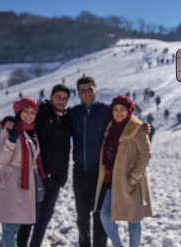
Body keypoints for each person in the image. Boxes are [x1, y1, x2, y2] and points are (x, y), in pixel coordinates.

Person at [93, 95, 153, 247]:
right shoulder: (110, 127)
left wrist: (133, 177)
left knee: (133, 220)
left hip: (130, 182)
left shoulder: (137, 128)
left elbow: (146, 153)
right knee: (105, 216)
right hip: (112, 181)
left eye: (122, 109)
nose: (119, 112)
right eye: (115, 109)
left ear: (129, 111)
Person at [17, 85, 72, 247]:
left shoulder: (67, 118)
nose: (61, 101)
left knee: (45, 215)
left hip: (56, 176)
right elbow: (22, 117)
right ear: (51, 96)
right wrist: (8, 122)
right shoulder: (40, 112)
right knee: (30, 214)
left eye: (64, 98)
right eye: (58, 97)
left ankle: (36, 244)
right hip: (38, 174)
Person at [0, 97, 45, 247]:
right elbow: (2, 160)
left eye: (33, 112)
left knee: (12, 229)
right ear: (19, 111)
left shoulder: (33, 132)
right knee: (10, 229)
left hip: (26, 185)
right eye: (26, 111)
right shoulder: (10, 130)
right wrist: (11, 142)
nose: (29, 115)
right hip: (10, 185)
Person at [68, 76, 110, 247]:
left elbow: (124, 123)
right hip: (80, 172)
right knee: (82, 216)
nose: (87, 93)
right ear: (78, 93)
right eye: (83, 90)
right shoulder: (73, 113)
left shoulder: (105, 111)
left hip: (100, 174)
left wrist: (141, 127)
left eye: (90, 89)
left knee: (100, 215)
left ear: (95, 90)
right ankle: (84, 244)